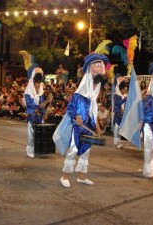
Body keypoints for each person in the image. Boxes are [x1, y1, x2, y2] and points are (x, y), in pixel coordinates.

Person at [59, 53, 108, 188]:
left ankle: (81, 176)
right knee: (73, 151)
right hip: (78, 129)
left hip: (89, 129)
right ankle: (64, 176)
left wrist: (97, 127)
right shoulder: (78, 95)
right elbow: (70, 109)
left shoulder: (93, 100)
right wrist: (76, 116)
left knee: (86, 153)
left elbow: (93, 115)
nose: (94, 87)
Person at [24, 64, 53, 158]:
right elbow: (29, 104)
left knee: (39, 134)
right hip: (32, 115)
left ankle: (38, 149)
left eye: (39, 83)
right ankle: (30, 150)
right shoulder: (28, 92)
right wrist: (37, 107)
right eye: (37, 83)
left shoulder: (41, 92)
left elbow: (42, 104)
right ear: (33, 82)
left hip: (39, 115)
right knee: (31, 134)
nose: (38, 85)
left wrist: (43, 111)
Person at [113, 74, 128, 148]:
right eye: (124, 89)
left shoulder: (124, 96)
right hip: (117, 114)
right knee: (117, 128)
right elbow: (117, 103)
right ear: (121, 89)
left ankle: (118, 142)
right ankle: (116, 142)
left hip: (123, 114)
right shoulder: (116, 95)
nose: (125, 91)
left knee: (120, 128)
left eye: (126, 89)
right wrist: (123, 100)